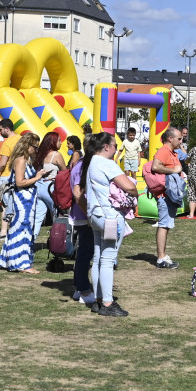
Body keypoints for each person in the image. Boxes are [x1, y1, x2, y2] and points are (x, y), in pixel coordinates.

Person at [83, 132, 138, 316]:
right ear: (106, 146)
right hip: (109, 216)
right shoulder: (107, 163)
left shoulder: (91, 162)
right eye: (114, 146)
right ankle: (107, 303)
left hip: (95, 215)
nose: (116, 150)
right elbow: (129, 186)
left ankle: (98, 300)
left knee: (98, 258)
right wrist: (136, 193)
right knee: (107, 259)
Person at [0, 132, 44, 274]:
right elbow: (19, 182)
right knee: (22, 229)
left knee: (18, 229)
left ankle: (10, 260)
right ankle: (22, 264)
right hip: (23, 201)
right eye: (35, 147)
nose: (36, 150)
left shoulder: (23, 160)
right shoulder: (21, 161)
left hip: (26, 200)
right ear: (27, 145)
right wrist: (37, 177)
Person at [151, 127, 184, 269]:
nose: (181, 141)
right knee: (164, 225)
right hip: (165, 196)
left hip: (170, 195)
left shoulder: (172, 152)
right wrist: (173, 170)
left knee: (166, 225)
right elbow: (155, 166)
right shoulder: (164, 151)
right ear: (170, 139)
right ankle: (161, 258)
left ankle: (163, 255)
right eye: (179, 139)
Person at [68, 141, 96, 306]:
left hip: (82, 214)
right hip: (84, 215)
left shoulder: (81, 164)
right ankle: (84, 289)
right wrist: (89, 214)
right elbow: (78, 192)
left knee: (83, 253)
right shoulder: (84, 166)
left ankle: (79, 286)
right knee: (86, 253)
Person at [32, 131, 66, 240]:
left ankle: (30, 241)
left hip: (39, 185)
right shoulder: (56, 155)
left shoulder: (41, 155)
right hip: (50, 187)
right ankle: (58, 242)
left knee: (37, 217)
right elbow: (65, 172)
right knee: (57, 216)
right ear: (53, 142)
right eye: (59, 140)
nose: (61, 143)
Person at [0, 119, 17, 240]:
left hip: (6, 175)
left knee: (4, 205)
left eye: (0, 130)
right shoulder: (22, 140)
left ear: (6, 129)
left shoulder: (7, 143)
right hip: (19, 175)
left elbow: (2, 163)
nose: (0, 132)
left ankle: (3, 231)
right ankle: (15, 228)